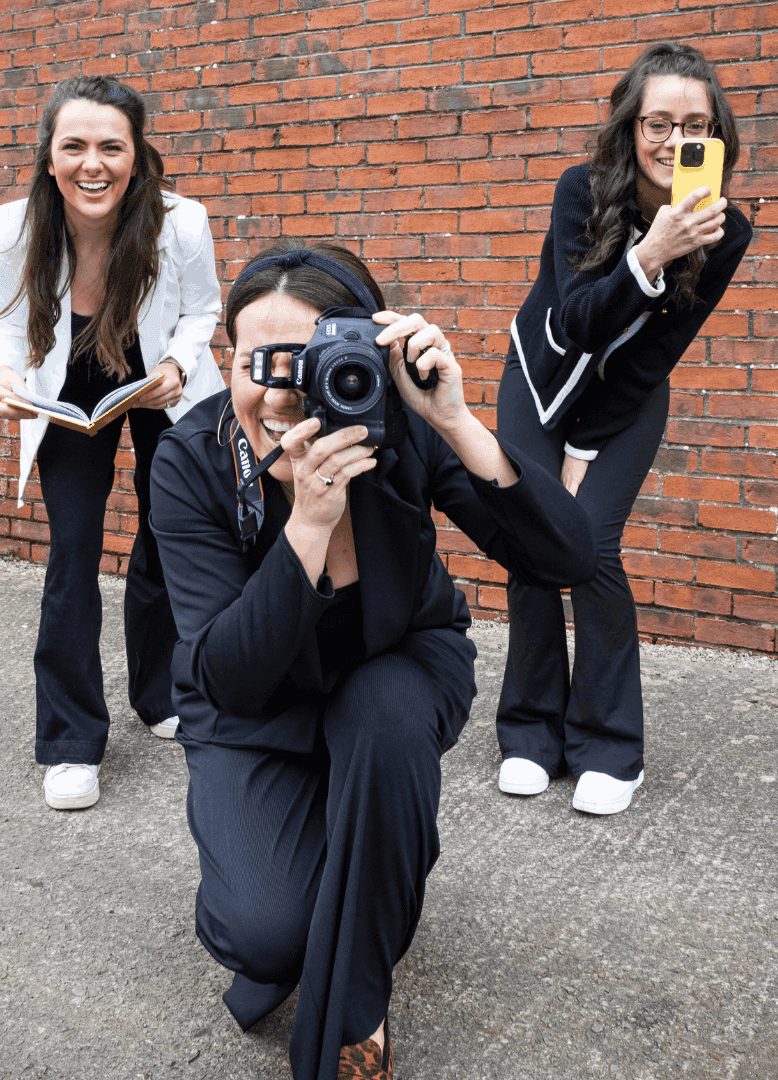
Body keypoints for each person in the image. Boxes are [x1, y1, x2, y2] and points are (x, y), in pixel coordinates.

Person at [149, 241, 596, 1079]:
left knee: (384, 718)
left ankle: (354, 1017)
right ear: (227, 362)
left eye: (307, 361)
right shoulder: (191, 461)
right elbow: (229, 677)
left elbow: (565, 560)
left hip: (396, 663)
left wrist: (455, 419)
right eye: (257, 364)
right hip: (256, 704)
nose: (281, 394)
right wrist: (307, 524)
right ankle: (372, 857)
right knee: (264, 934)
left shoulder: (399, 425)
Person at [495, 42, 752, 814]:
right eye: (658, 123)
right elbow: (577, 322)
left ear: (718, 135)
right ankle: (530, 731)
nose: (676, 141)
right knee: (532, 538)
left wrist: (585, 447)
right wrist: (651, 254)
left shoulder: (726, 230)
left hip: (627, 397)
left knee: (591, 544)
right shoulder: (581, 191)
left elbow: (652, 356)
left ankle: (609, 745)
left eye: (696, 125)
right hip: (541, 376)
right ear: (630, 128)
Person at [0, 76, 223, 810]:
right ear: (49, 157)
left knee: (168, 534)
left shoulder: (181, 223)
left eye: (112, 147)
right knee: (74, 549)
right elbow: (6, 324)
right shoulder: (12, 230)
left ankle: (162, 694)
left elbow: (203, 307)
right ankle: (70, 741)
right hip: (68, 379)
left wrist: (178, 365)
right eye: (75, 146)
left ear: (137, 156)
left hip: (157, 377)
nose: (94, 164)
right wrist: (5, 379)